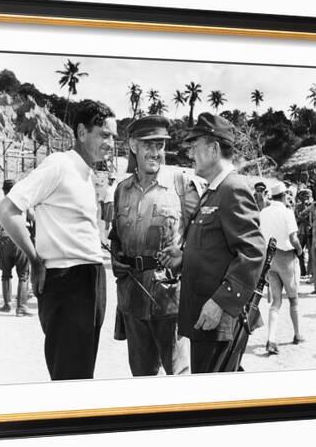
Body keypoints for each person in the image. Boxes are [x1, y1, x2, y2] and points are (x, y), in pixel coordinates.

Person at [0, 100, 117, 380]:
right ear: (82, 132)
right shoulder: (60, 164)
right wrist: (36, 261)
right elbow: (7, 210)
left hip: (90, 278)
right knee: (70, 377)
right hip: (68, 281)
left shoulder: (87, 173)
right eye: (105, 134)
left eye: (114, 136)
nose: (111, 143)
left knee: (82, 374)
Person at [159, 113, 265, 373]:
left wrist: (220, 302)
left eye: (195, 147)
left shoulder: (232, 189)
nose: (190, 154)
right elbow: (217, 249)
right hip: (204, 318)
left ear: (214, 149)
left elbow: (252, 252)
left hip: (217, 318)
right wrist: (184, 257)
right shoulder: (215, 190)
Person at [109, 115, 201, 376]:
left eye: (159, 145)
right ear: (133, 146)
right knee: (141, 375)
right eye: (148, 144)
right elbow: (116, 234)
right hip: (132, 297)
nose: (155, 152)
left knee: (178, 374)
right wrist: (116, 257)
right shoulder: (121, 190)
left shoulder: (181, 184)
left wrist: (184, 255)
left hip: (170, 298)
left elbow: (205, 232)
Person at [260, 182, 304, 355]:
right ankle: (298, 334)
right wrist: (299, 250)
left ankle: (271, 339)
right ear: (285, 195)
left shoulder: (263, 212)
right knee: (293, 299)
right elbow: (293, 238)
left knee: (276, 301)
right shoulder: (287, 212)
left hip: (270, 257)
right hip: (286, 258)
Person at [0, 179, 34, 316]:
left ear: (3, 191)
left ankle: (7, 305)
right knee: (23, 275)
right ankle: (21, 307)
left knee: (5, 275)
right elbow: (33, 217)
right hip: (20, 240)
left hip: (4, 241)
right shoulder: (24, 202)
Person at [295, 188, 313, 278]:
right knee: (299, 251)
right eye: (303, 196)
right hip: (300, 231)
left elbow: (310, 218)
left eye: (307, 196)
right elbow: (297, 218)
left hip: (310, 231)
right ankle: (302, 271)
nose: (305, 198)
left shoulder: (313, 206)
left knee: (311, 252)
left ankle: (310, 272)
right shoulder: (297, 206)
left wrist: (303, 217)